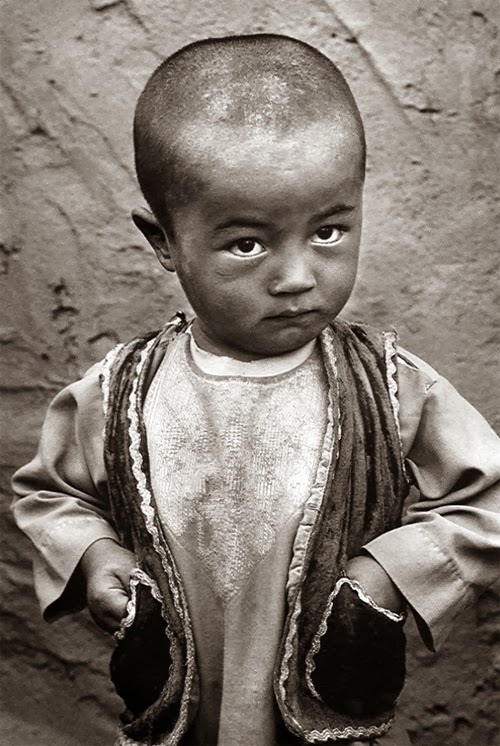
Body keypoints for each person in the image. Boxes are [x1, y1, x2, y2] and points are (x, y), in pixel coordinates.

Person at [11, 34, 500, 746]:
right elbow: (50, 495)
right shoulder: (119, 394)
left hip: (327, 720)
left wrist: (387, 574)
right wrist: (95, 558)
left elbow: (486, 501)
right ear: (163, 240)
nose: (297, 277)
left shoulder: (389, 386)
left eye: (329, 232)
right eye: (247, 244)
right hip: (179, 720)